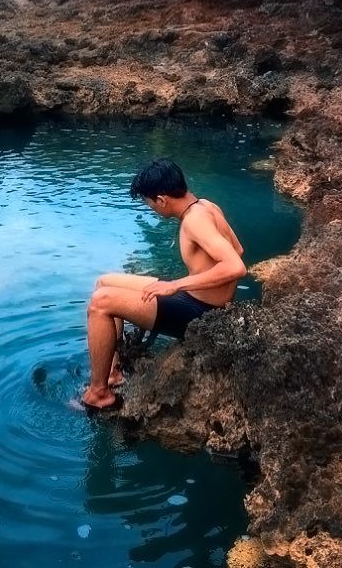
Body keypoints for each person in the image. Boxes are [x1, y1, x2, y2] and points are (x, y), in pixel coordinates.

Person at [81, 158, 247, 411]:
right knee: (104, 282)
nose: (151, 209)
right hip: (195, 298)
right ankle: (113, 374)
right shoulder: (206, 206)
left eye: (149, 203)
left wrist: (177, 285)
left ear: (161, 199)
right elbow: (238, 248)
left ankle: (99, 393)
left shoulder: (194, 220)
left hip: (200, 313)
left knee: (100, 302)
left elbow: (236, 265)